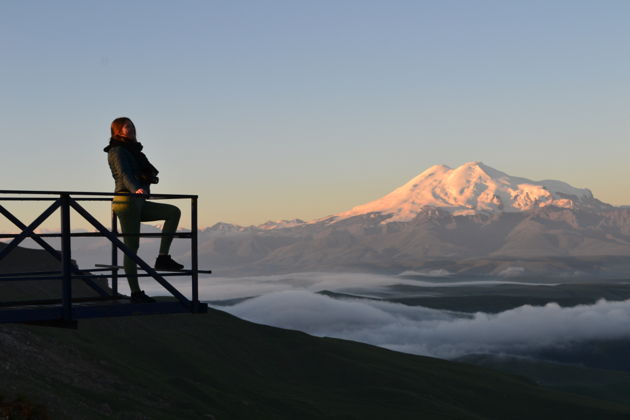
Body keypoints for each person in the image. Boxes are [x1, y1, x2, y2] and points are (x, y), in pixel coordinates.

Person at [104, 117, 184, 303]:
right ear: (117, 130)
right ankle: (136, 293)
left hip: (137, 200)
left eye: (132, 126)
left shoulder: (134, 150)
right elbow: (124, 174)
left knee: (173, 212)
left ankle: (163, 257)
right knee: (132, 247)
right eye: (126, 127)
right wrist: (136, 188)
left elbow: (143, 171)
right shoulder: (117, 150)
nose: (130, 129)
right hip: (126, 199)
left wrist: (145, 184)